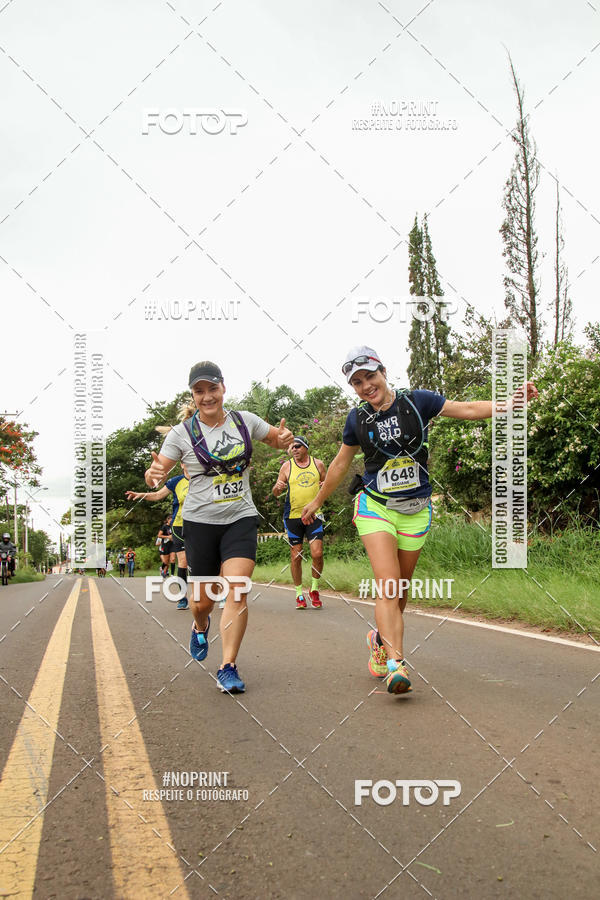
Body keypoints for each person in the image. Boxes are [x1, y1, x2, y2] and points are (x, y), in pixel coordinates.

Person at [302, 345, 538, 696]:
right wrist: (317, 500)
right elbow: (339, 464)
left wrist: (510, 403)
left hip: (415, 510)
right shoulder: (357, 419)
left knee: (400, 591)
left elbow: (468, 409)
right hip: (375, 506)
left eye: (370, 377)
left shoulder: (418, 401)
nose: (366, 386)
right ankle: (396, 665)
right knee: (388, 585)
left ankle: (379, 640)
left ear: (383, 372)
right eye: (357, 382)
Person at [145, 360, 293, 694]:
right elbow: (157, 471)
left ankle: (227, 666)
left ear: (223, 388)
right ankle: (200, 626)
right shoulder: (182, 434)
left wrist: (284, 439)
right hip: (200, 523)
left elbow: (276, 438)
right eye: (200, 391)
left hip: (240, 518)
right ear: (193, 395)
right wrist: (153, 475)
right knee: (202, 602)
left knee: (237, 589)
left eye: (212, 388)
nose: (207, 396)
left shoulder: (244, 421)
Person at [272, 436, 326, 609]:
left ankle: (314, 589)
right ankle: (298, 593)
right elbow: (275, 492)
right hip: (293, 516)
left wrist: (324, 485)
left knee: (317, 554)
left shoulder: (318, 464)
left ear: (306, 448)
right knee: (296, 556)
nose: (294, 449)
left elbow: (326, 486)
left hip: (314, 515)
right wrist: (277, 488)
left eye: (297, 446)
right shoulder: (286, 466)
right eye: (292, 447)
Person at [126, 470, 190, 609]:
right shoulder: (175, 481)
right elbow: (157, 495)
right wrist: (141, 494)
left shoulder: (204, 477)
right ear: (182, 464)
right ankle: (182, 597)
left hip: (202, 524)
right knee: (183, 561)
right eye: (185, 461)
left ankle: (213, 594)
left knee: (205, 560)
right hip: (179, 525)